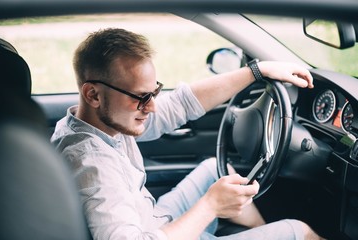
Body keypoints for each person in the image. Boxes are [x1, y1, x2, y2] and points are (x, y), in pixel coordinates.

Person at [51, 28, 325, 240]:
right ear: (93, 94)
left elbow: (181, 104)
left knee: (215, 170)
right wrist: (210, 206)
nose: (153, 106)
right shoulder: (91, 164)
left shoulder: (99, 121)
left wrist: (257, 71)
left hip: (154, 218)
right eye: (141, 97)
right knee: (297, 231)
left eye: (154, 92)